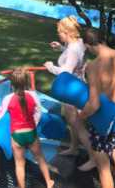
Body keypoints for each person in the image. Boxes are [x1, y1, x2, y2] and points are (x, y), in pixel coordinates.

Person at [78, 28, 115, 188]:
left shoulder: (93, 66)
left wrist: (82, 116)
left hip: (101, 117)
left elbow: (94, 104)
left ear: (88, 45)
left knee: (103, 165)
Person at [0, 68, 55, 188]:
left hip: (16, 135)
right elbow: (38, 111)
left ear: (12, 84)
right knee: (40, 158)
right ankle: (49, 181)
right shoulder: (33, 95)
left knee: (19, 164)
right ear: (26, 81)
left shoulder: (7, 99)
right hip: (31, 132)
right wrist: (34, 123)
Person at [44, 16, 90, 160]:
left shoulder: (72, 50)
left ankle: (94, 156)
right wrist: (61, 48)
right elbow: (74, 57)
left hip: (71, 90)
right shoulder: (78, 43)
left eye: (60, 32)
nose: (58, 34)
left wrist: (50, 67)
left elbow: (65, 72)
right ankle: (74, 147)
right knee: (74, 123)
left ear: (67, 33)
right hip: (78, 86)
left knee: (76, 124)